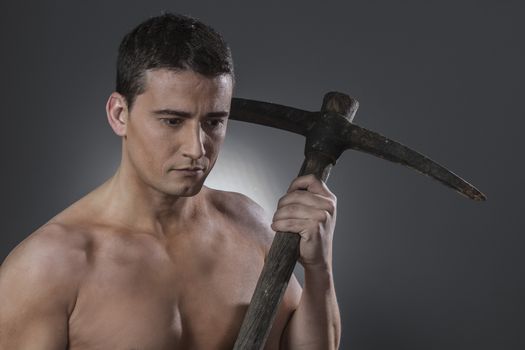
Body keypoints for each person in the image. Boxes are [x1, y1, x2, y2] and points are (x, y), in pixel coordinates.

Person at [0, 13, 340, 350]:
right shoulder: (47, 267)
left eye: (213, 122)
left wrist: (318, 270)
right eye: (172, 120)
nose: (197, 148)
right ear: (120, 115)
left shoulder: (249, 225)